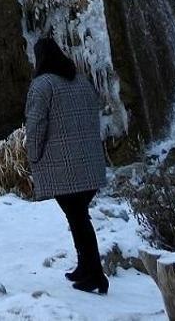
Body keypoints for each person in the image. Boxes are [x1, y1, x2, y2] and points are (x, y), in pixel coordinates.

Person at [24, 36, 110, 295]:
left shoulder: (42, 85)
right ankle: (85, 268)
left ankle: (95, 274)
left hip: (65, 167)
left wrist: (33, 154)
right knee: (78, 217)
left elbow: (36, 124)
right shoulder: (82, 82)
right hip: (90, 164)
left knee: (78, 218)